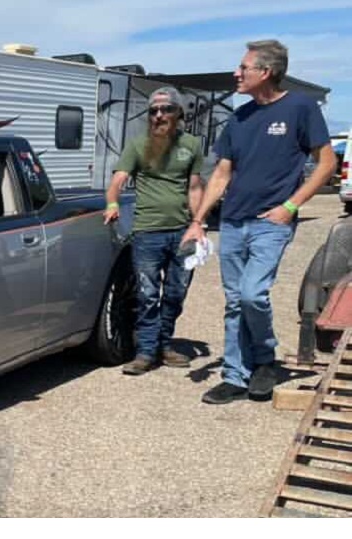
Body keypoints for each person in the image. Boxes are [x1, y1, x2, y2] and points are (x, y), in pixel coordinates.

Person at [182, 40, 337, 404]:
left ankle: (265, 357)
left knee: (253, 294)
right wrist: (199, 220)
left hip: (271, 222)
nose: (236, 74)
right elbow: (222, 173)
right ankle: (236, 376)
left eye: (243, 68)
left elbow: (327, 163)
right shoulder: (239, 117)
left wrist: (291, 207)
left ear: (265, 72)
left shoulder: (301, 107)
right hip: (234, 221)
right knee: (235, 301)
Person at [104, 87, 204, 375]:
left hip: (183, 232)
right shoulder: (137, 145)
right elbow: (118, 179)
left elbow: (195, 186)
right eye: (153, 111)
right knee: (148, 294)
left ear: (179, 113)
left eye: (166, 109)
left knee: (176, 292)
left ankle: (164, 345)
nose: (159, 115)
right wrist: (112, 202)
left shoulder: (192, 145)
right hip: (148, 232)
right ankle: (146, 352)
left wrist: (198, 223)